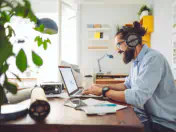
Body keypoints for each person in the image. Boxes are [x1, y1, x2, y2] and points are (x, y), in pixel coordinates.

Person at [82, 21, 176, 132]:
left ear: (132, 41)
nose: (117, 50)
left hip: (162, 123)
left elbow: (137, 97)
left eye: (118, 44)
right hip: (147, 116)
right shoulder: (136, 61)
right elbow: (127, 85)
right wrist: (100, 86)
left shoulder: (153, 59)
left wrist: (104, 91)